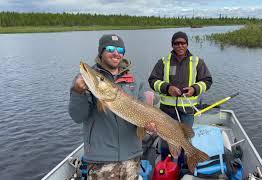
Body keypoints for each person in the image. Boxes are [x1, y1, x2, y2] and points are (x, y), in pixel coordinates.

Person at [69, 34, 154, 180]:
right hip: (100, 161)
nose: (116, 53)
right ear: (101, 51)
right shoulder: (85, 81)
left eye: (120, 50)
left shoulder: (134, 80)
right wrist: (78, 92)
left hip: (131, 157)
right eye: (110, 49)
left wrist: (148, 125)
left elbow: (143, 115)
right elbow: (77, 117)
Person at [148, 31, 213, 169]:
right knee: (166, 141)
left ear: (187, 44)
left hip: (187, 111)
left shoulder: (197, 62)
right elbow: (152, 80)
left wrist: (194, 89)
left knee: (185, 140)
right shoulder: (163, 62)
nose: (180, 45)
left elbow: (207, 81)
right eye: (176, 43)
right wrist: (167, 88)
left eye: (182, 43)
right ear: (172, 45)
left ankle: (185, 165)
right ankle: (167, 165)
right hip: (167, 111)